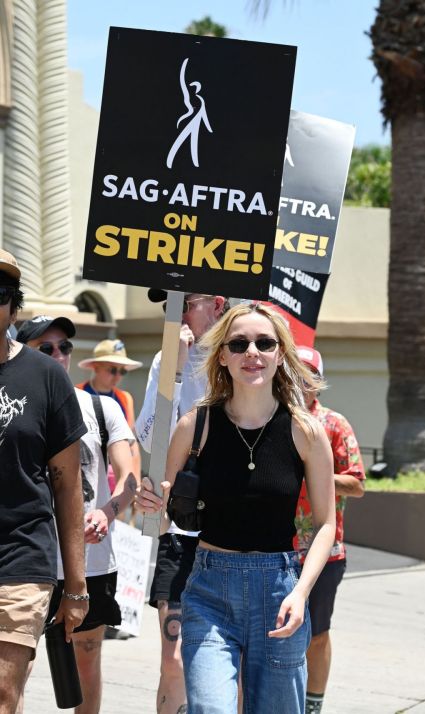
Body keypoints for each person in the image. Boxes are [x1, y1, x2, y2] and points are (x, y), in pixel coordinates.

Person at [141, 302, 337, 714]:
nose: (253, 352)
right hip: (210, 590)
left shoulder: (305, 431)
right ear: (223, 356)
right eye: (239, 343)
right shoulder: (195, 425)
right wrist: (153, 504)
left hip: (281, 591)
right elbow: (164, 517)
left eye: (264, 343)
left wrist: (301, 593)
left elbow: (324, 525)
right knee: (211, 708)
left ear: (279, 353)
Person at [17, 316, 137, 714]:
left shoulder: (103, 409)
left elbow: (130, 479)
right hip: (26, 560)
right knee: (14, 672)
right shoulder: (14, 404)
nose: (58, 355)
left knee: (85, 672)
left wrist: (108, 510)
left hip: (92, 564)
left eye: (64, 347)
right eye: (46, 348)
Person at [0, 250, 88, 713]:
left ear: (13, 307)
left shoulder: (46, 377)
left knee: (1, 693)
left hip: (20, 554)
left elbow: (67, 485)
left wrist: (75, 585)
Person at [135, 290, 227, 714]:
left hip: (233, 530)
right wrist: (172, 373)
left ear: (218, 304)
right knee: (173, 659)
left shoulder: (241, 353)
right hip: (181, 528)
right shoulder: (165, 359)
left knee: (234, 660)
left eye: (187, 302)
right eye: (170, 305)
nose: (178, 313)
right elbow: (150, 440)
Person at [295, 346, 366, 714]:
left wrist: (315, 473)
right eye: (292, 371)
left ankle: (312, 705)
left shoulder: (334, 424)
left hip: (324, 551)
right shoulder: (271, 420)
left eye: (306, 374)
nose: (298, 380)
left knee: (317, 634)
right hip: (273, 549)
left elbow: (357, 484)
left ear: (318, 383)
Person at [76, 338, 142, 491]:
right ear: (95, 367)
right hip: (86, 476)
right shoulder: (78, 393)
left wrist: (136, 483)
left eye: (122, 370)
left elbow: (132, 443)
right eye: (112, 370)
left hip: (118, 479)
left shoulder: (125, 398)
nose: (118, 376)